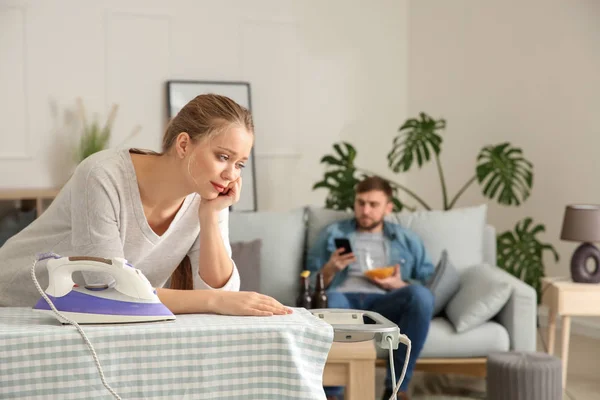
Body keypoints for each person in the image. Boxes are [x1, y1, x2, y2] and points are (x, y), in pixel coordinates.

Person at [0, 94, 291, 318]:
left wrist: (211, 215)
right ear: (183, 145)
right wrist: (216, 301)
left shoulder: (207, 194)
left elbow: (223, 291)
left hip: (91, 318)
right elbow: (105, 289)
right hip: (16, 304)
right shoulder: (102, 175)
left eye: (239, 164)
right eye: (223, 157)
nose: (231, 174)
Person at [306, 176, 435, 400]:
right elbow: (309, 282)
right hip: (344, 299)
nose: (365, 210)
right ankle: (332, 394)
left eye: (373, 204)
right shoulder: (333, 233)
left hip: (386, 301)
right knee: (332, 303)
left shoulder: (406, 239)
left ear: (388, 207)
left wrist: (400, 284)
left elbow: (428, 281)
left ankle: (396, 388)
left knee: (421, 296)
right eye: (361, 203)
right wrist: (330, 269)